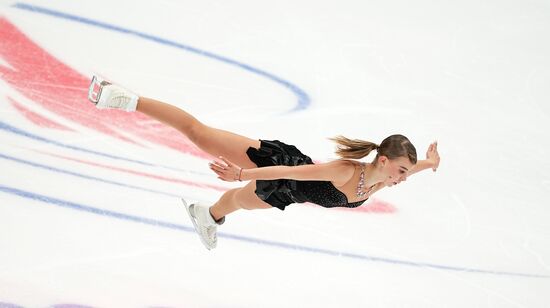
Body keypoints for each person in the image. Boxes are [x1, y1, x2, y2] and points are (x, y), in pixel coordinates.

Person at [87, 76, 440, 250]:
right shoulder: (346, 171)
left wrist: (428, 163)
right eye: (402, 171)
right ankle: (125, 98)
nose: (403, 178)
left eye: (406, 172)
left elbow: (414, 168)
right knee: (199, 134)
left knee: (234, 204)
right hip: (281, 166)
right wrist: (243, 172)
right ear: (382, 160)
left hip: (287, 194)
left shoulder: (383, 178)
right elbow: (292, 171)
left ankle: (204, 214)